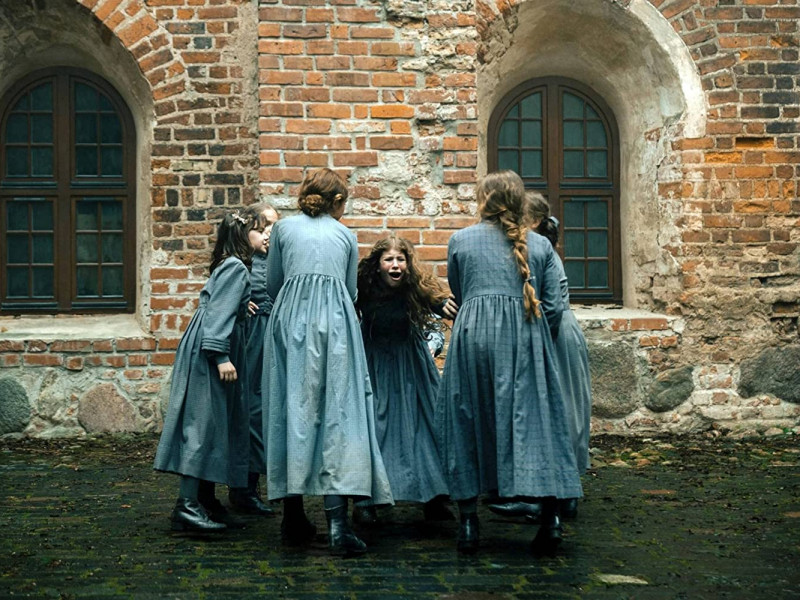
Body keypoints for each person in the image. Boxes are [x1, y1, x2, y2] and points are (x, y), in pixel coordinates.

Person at [436, 170, 583, 555]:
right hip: (526, 338)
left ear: (483, 200)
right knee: (538, 422)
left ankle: (469, 522)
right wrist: (537, 341)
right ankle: (550, 519)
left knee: (468, 419)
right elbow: (554, 307)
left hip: (473, 341)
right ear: (518, 202)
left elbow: (460, 290)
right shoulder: (540, 245)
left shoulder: (460, 240)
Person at [261, 168, 393, 556]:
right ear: (337, 202)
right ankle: (338, 524)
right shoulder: (345, 235)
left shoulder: (283, 230)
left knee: (291, 411)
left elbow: (273, 284)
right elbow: (350, 290)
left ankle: (292, 517)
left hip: (290, 324)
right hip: (336, 328)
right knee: (340, 414)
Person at [154, 210, 268, 533]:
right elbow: (217, 315)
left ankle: (205, 500)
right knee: (203, 425)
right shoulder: (236, 267)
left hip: (211, 345)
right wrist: (220, 356)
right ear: (243, 235)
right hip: (210, 352)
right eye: (259, 231)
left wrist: (241, 306)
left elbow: (220, 302)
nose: (266, 235)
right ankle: (187, 506)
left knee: (216, 424)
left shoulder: (231, 265)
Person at [353, 235, 458, 525]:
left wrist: (443, 305)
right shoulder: (364, 287)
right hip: (375, 363)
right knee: (373, 427)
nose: (396, 265)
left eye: (401, 259)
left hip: (411, 365)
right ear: (378, 265)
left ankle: (435, 497)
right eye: (389, 259)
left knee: (425, 426)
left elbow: (436, 301)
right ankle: (366, 499)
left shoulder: (415, 286)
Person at [228, 203, 280, 517]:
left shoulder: (277, 260)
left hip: (272, 342)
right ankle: (243, 489)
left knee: (263, 413)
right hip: (250, 344)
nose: (270, 233)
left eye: (274, 226)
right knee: (249, 411)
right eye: (264, 226)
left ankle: (252, 484)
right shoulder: (241, 263)